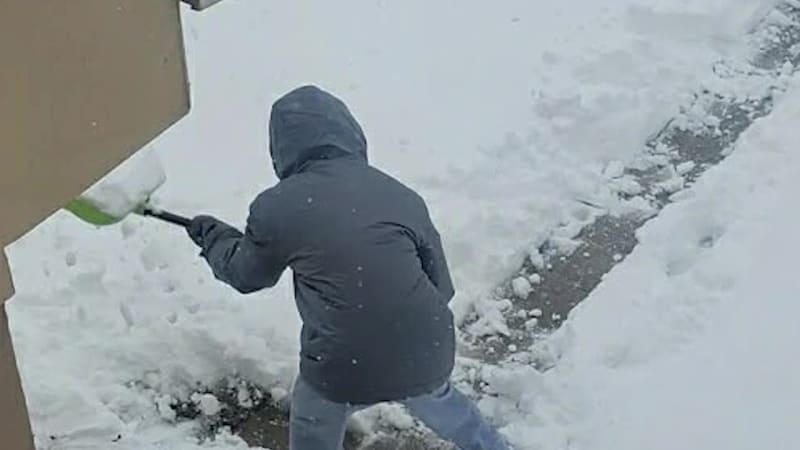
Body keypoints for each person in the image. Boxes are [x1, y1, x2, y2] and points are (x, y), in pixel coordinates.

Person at [187, 85, 509, 450]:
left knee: (312, 416)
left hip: (342, 366)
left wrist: (214, 237)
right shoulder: (399, 193)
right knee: (437, 397)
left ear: (281, 148)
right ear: (350, 133)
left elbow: (246, 275)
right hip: (426, 346)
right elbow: (442, 287)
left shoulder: (277, 207)